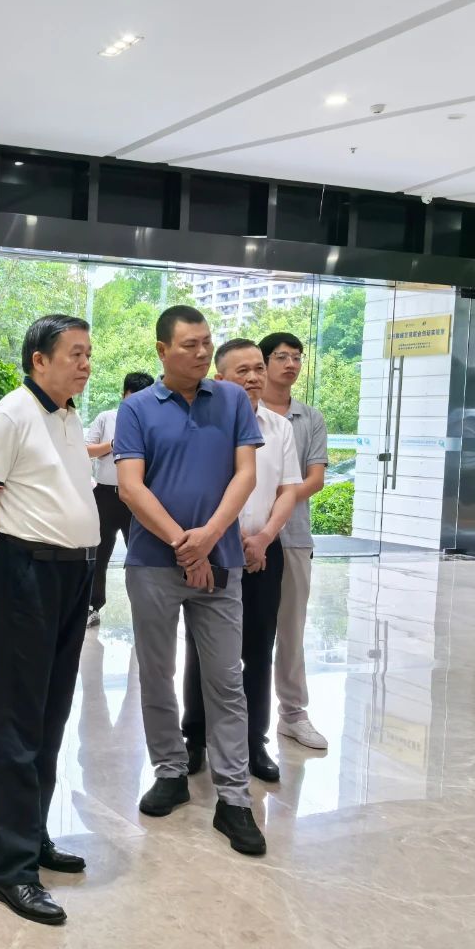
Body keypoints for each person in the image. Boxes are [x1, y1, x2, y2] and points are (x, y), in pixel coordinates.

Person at [0, 314, 100, 926]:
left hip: (71, 576)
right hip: (27, 572)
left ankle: (32, 835)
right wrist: (1, 564)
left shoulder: (66, 416)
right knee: (17, 721)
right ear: (38, 359)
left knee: (50, 713)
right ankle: (10, 869)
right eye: (74, 353)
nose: (85, 364)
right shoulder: (12, 414)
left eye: (88, 353)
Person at [113, 304, 268, 857]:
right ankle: (171, 771)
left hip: (220, 562)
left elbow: (246, 474)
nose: (202, 353)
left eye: (207, 343)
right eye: (189, 345)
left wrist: (208, 538)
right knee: (157, 674)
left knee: (226, 678)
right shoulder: (135, 408)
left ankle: (234, 798)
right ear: (162, 351)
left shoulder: (231, 400)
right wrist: (185, 544)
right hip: (153, 564)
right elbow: (130, 487)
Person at [182, 339, 300, 784]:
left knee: (258, 649)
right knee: (202, 648)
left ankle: (254, 742)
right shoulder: (204, 424)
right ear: (219, 379)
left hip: (264, 553)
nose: (253, 378)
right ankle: (195, 738)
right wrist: (226, 538)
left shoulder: (279, 427)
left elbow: (288, 489)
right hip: (214, 551)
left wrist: (264, 537)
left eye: (257, 369)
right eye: (242, 371)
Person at [259, 332, 330, 752]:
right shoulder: (243, 410)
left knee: (291, 627)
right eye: (282, 357)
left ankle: (293, 714)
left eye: (297, 358)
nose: (291, 364)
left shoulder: (309, 418)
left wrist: (276, 499)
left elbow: (315, 479)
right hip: (245, 533)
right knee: (238, 628)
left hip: (293, 536)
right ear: (264, 362)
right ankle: (231, 717)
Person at [84, 371, 155, 624]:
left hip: (138, 497)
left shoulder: (153, 422)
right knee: (98, 553)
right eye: (132, 398)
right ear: (123, 395)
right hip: (105, 495)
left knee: (140, 556)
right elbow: (86, 450)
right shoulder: (107, 418)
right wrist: (114, 444)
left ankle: (144, 610)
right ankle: (93, 606)